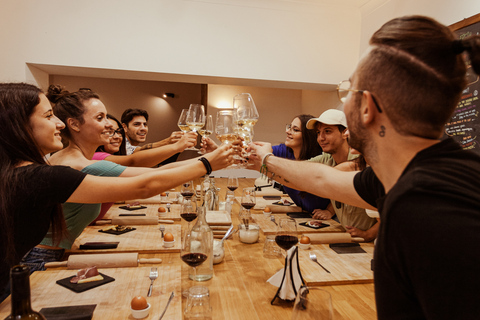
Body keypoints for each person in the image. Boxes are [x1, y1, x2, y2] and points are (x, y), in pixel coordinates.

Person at [249, 15, 480, 319]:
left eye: (348, 92)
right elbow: (321, 178)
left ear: (368, 107)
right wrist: (264, 160)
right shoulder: (408, 175)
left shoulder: (426, 209)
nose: (345, 104)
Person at [0, 83, 233, 302]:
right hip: (34, 264)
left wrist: (206, 160)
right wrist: (208, 163)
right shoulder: (50, 173)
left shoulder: (25, 169)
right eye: (49, 116)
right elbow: (144, 185)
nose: (58, 123)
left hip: (36, 260)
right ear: (18, 125)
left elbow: (145, 175)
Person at [305, 109, 378, 242]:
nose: (321, 138)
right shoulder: (326, 159)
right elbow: (301, 171)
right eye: (318, 133)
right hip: (349, 238)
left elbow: (390, 210)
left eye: (327, 131)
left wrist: (369, 234)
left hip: (371, 244)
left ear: (344, 133)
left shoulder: (363, 162)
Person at [271, 114, 330, 214]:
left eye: (295, 130)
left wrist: (329, 211)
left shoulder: (321, 159)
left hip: (328, 220)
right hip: (304, 215)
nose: (288, 131)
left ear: (307, 136)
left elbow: (341, 190)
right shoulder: (285, 151)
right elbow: (263, 150)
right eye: (289, 127)